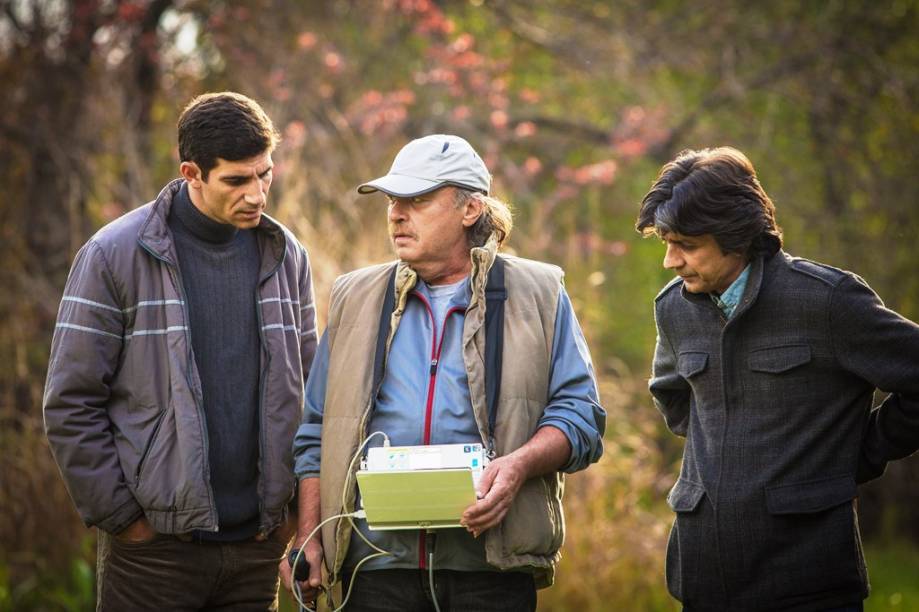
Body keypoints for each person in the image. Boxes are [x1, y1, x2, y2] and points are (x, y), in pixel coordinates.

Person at [283, 134, 605, 611]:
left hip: (491, 570)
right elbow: (315, 433)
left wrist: (516, 467)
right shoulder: (353, 296)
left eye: (416, 200)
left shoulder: (539, 292)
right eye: (394, 200)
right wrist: (310, 535)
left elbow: (583, 419)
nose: (396, 213)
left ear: (470, 208)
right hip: (371, 570)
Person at [43, 92, 318, 611]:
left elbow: (309, 392)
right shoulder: (113, 255)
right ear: (191, 172)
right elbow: (69, 402)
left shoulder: (286, 256)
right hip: (155, 555)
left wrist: (289, 518)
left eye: (265, 175)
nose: (257, 194)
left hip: (255, 550)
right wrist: (127, 521)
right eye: (237, 180)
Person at [637, 146, 919, 611]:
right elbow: (676, 402)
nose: (671, 261)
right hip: (703, 576)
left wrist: (855, 452)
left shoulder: (828, 301)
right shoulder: (673, 309)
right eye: (667, 243)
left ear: (735, 235)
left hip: (808, 581)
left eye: (686, 245)